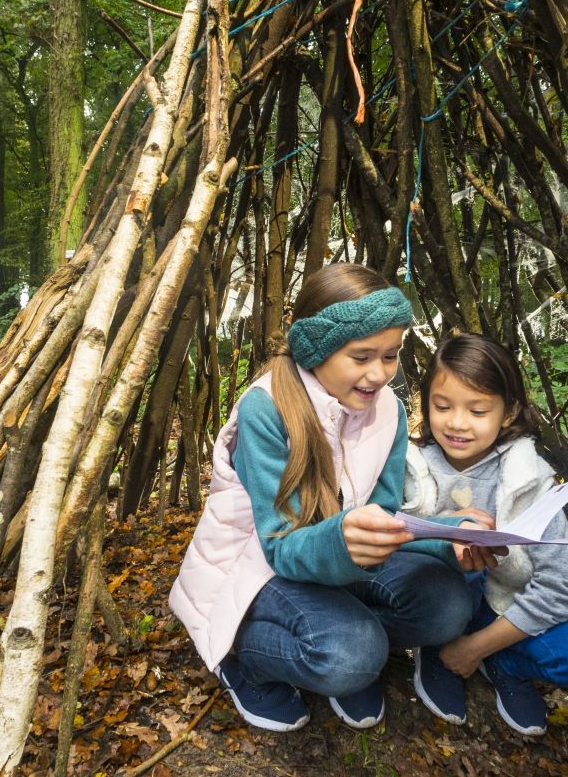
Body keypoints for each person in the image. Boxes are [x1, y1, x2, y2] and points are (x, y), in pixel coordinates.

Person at [168, 264, 487, 732]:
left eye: (391, 356)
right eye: (361, 357)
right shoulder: (267, 409)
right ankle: (247, 662)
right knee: (352, 655)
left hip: (338, 560)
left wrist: (451, 537)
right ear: (316, 348)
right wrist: (344, 540)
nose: (379, 374)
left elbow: (384, 516)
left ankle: (349, 637)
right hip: (259, 566)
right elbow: (280, 547)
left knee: (448, 606)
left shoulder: (389, 412)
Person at [402, 333, 568, 737]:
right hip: (439, 600)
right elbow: (385, 541)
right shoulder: (411, 468)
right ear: (425, 402)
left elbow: (564, 583)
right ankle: (435, 648)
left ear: (509, 411)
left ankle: (503, 663)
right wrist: (448, 527)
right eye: (442, 406)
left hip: (505, 603)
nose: (457, 423)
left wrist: (477, 648)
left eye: (478, 410)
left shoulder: (527, 477)